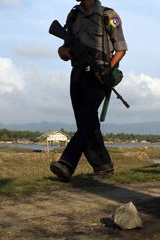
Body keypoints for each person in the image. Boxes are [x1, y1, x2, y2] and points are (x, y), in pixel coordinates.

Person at [50, 0, 127, 182]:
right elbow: (64, 48)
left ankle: (67, 163)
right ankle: (103, 167)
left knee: (87, 116)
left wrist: (107, 70)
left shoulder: (109, 15)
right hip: (77, 74)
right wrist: (63, 52)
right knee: (86, 121)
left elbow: (121, 49)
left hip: (99, 74)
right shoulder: (73, 15)